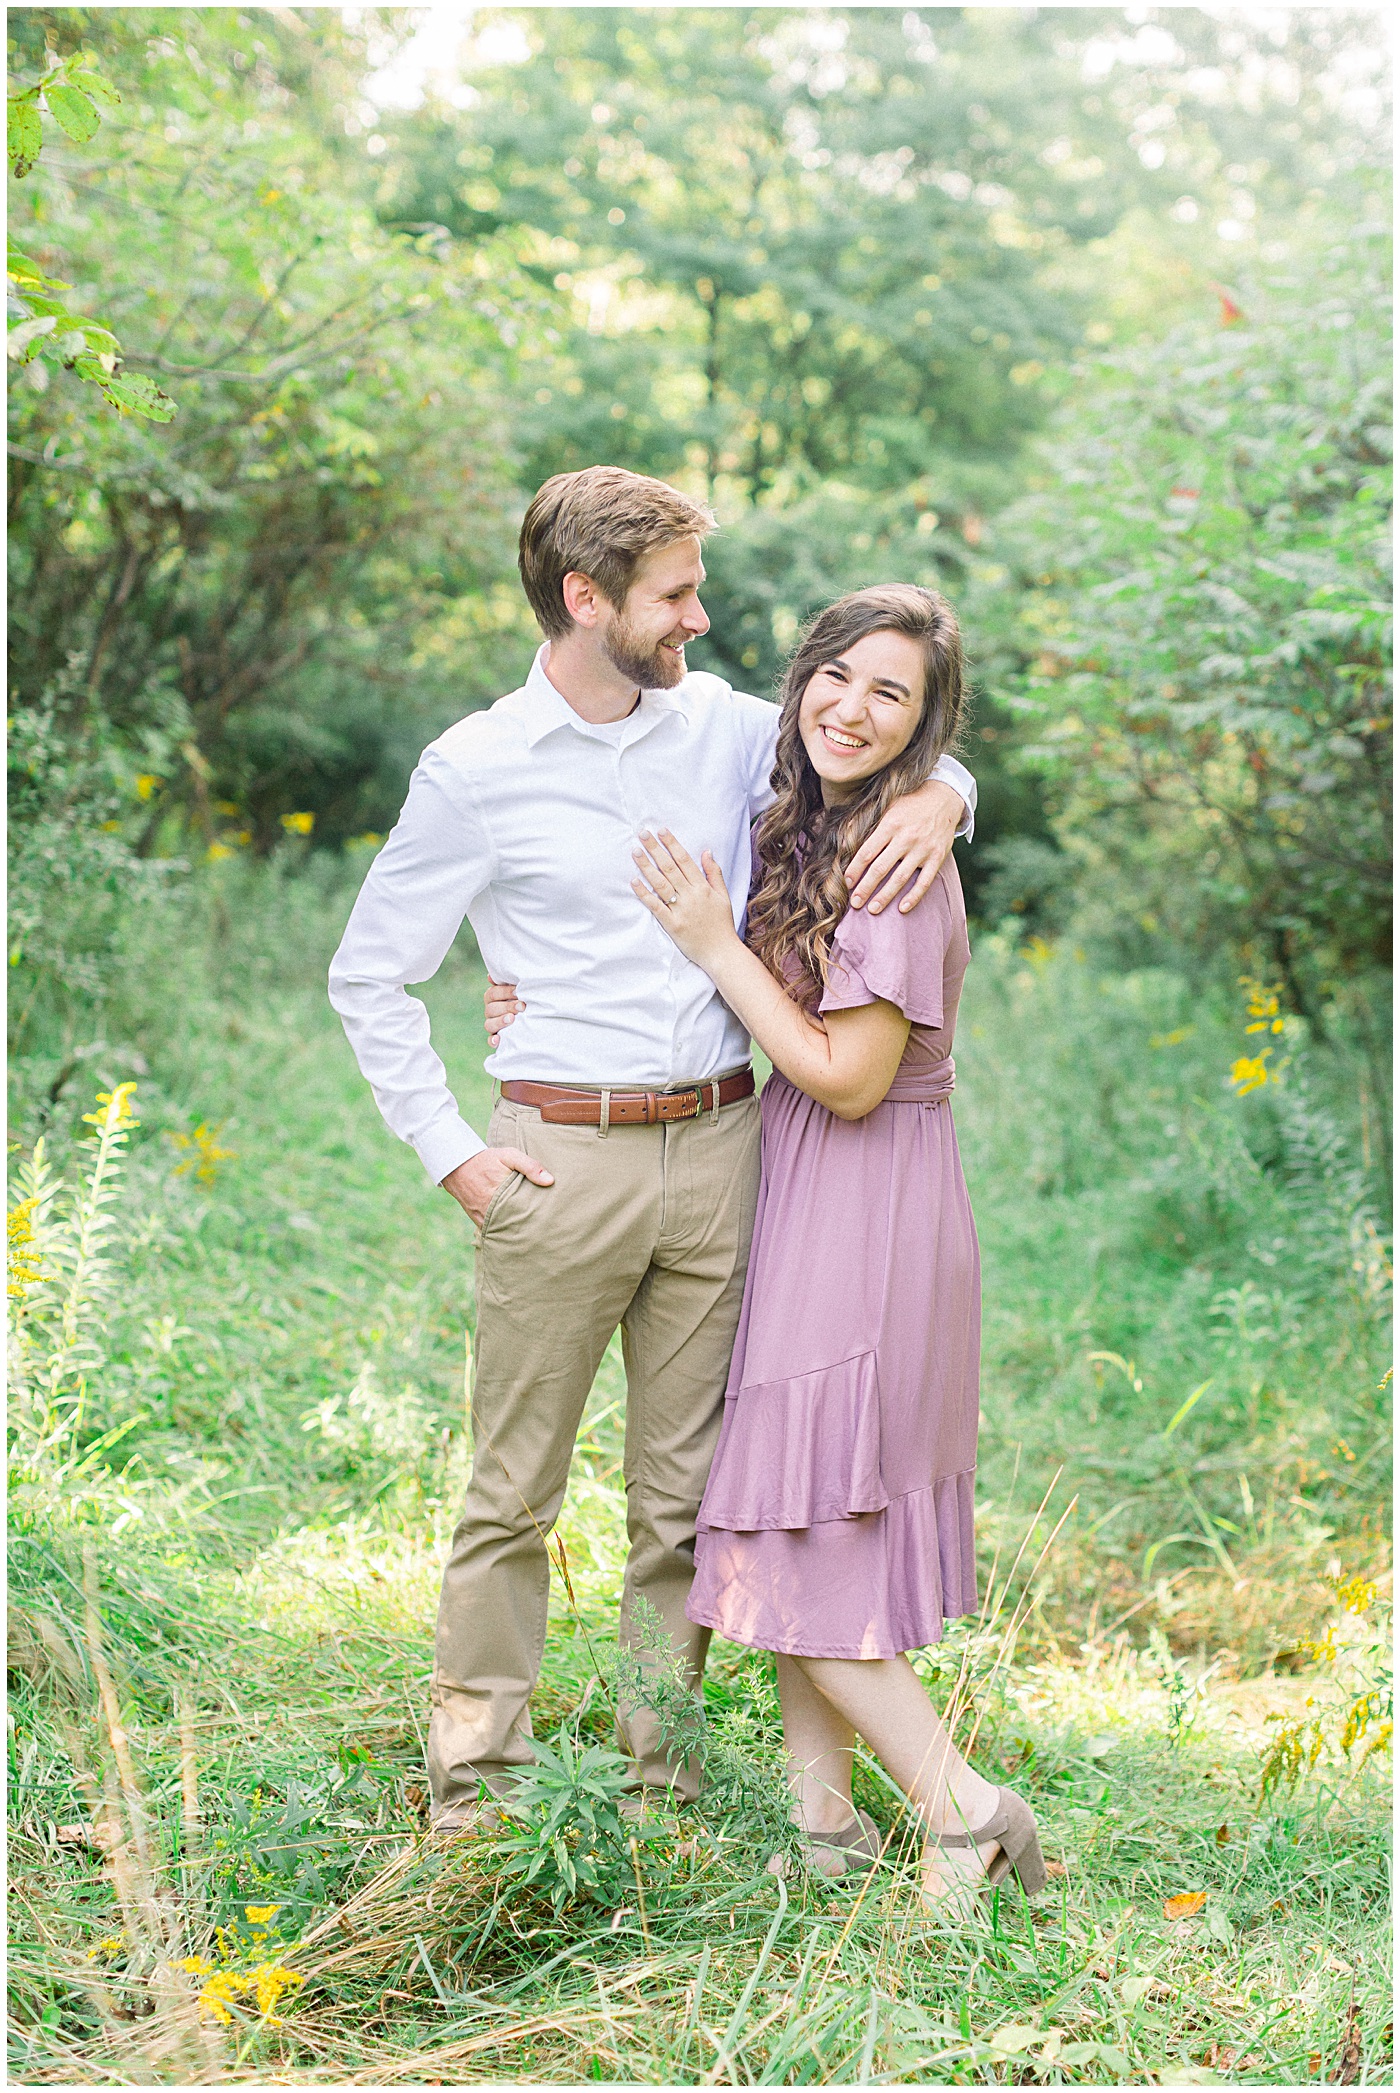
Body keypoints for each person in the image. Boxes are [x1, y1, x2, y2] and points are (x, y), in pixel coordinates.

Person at [328, 466, 977, 1829]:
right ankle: (478, 1791)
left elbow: (878, 735)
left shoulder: (726, 730)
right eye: (675, 593)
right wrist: (454, 1149)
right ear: (589, 599)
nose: (700, 615)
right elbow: (368, 977)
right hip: (558, 1160)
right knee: (513, 1493)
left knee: (680, 1506)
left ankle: (658, 1789)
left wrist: (946, 799)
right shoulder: (475, 768)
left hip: (727, 1150)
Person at [622, 583, 1046, 1905]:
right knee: (807, 1521)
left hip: (869, 1204)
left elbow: (844, 1074)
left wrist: (706, 942)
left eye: (892, 695)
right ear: (802, 675)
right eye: (839, 676)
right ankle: (826, 1829)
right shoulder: (818, 814)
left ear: (927, 728)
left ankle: (963, 1807)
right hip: (810, 1192)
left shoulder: (896, 865)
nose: (852, 709)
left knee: (789, 1540)